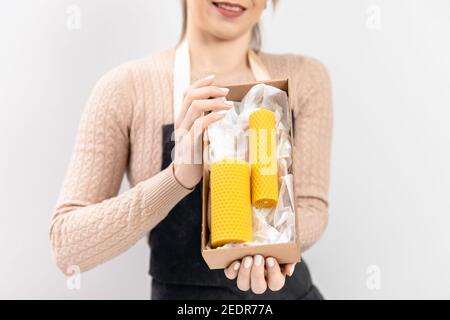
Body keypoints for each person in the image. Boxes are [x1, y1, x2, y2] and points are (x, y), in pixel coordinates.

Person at [49, 0, 332, 300]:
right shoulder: (125, 89)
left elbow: (312, 207)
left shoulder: (305, 78)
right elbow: (67, 248)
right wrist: (177, 179)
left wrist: (273, 246)